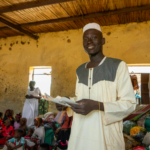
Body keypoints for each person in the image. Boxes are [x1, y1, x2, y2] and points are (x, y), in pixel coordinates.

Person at [56, 23, 136, 150]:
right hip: (80, 134)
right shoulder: (80, 70)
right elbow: (81, 97)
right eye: (86, 38)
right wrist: (67, 102)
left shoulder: (118, 65)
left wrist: (97, 106)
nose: (89, 41)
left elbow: (130, 104)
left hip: (105, 136)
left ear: (103, 41)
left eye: (94, 37)